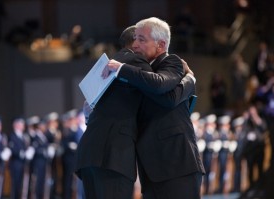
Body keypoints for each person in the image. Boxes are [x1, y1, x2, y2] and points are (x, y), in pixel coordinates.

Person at [76, 24, 195, 199]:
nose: (139, 44)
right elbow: (164, 91)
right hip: (113, 156)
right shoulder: (134, 61)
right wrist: (190, 79)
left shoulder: (105, 67)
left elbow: (88, 107)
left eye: (142, 39)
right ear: (134, 43)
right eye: (139, 39)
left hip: (89, 154)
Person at [105, 17, 204, 199]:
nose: (134, 44)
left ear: (161, 45)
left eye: (141, 39)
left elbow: (165, 95)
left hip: (177, 165)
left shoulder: (171, 62)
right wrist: (190, 81)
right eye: (135, 38)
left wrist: (121, 68)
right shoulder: (142, 72)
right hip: (152, 169)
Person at [8, 116, 30, 199]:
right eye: (21, 124)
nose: (23, 125)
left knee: (21, 184)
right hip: (15, 164)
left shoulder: (23, 136)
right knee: (15, 184)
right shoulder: (12, 136)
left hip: (22, 163)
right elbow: (13, 149)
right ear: (16, 125)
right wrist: (22, 153)